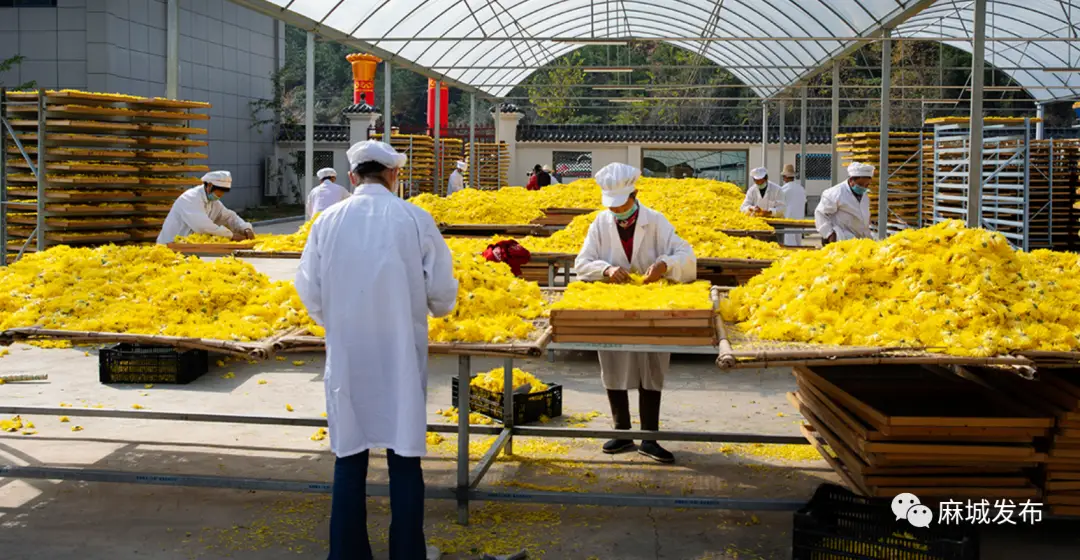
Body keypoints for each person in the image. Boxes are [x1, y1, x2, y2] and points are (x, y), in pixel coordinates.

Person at [295, 140, 458, 560]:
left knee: (349, 455)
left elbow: (309, 292)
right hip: (400, 355)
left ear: (352, 177)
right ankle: (407, 552)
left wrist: (339, 320)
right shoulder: (415, 219)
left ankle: (347, 554)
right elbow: (442, 297)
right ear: (394, 175)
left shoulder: (326, 221)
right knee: (404, 457)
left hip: (349, 356)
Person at [574, 162, 696, 464]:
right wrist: (606, 269)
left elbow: (687, 253)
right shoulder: (600, 224)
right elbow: (582, 263)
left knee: (651, 365)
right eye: (613, 207)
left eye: (622, 206)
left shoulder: (655, 221)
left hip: (653, 307)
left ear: (635, 194)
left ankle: (650, 438)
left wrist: (665, 264)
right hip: (614, 307)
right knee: (613, 361)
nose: (618, 213)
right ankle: (622, 430)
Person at [156, 170, 254, 244]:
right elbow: (202, 226)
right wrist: (231, 235)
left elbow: (229, 216)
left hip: (186, 246)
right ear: (209, 186)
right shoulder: (191, 198)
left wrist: (245, 228)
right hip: (170, 246)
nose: (220, 195)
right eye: (219, 191)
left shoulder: (213, 201)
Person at [815, 161, 874, 244]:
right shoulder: (836, 193)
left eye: (867, 185)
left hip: (859, 240)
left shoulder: (864, 196)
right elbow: (820, 214)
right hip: (841, 238)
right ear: (851, 180)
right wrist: (830, 234)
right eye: (860, 184)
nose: (863, 188)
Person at [779, 163, 807, 246]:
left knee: (789, 244)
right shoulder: (801, 189)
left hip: (788, 221)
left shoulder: (783, 190)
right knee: (798, 244)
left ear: (785, 177)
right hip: (799, 220)